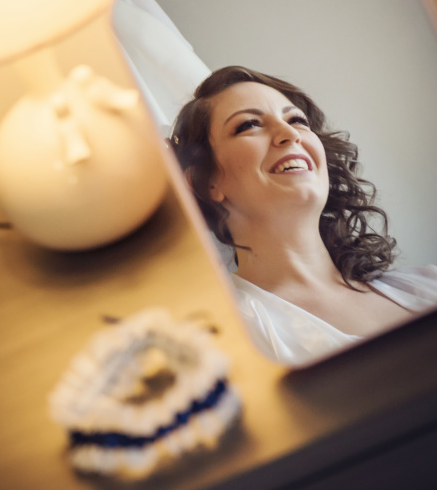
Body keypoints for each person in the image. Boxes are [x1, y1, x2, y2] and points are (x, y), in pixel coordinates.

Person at [171, 66, 437, 365]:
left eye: (297, 120)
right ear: (207, 182)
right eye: (249, 125)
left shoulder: (429, 285)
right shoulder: (222, 338)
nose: (290, 134)